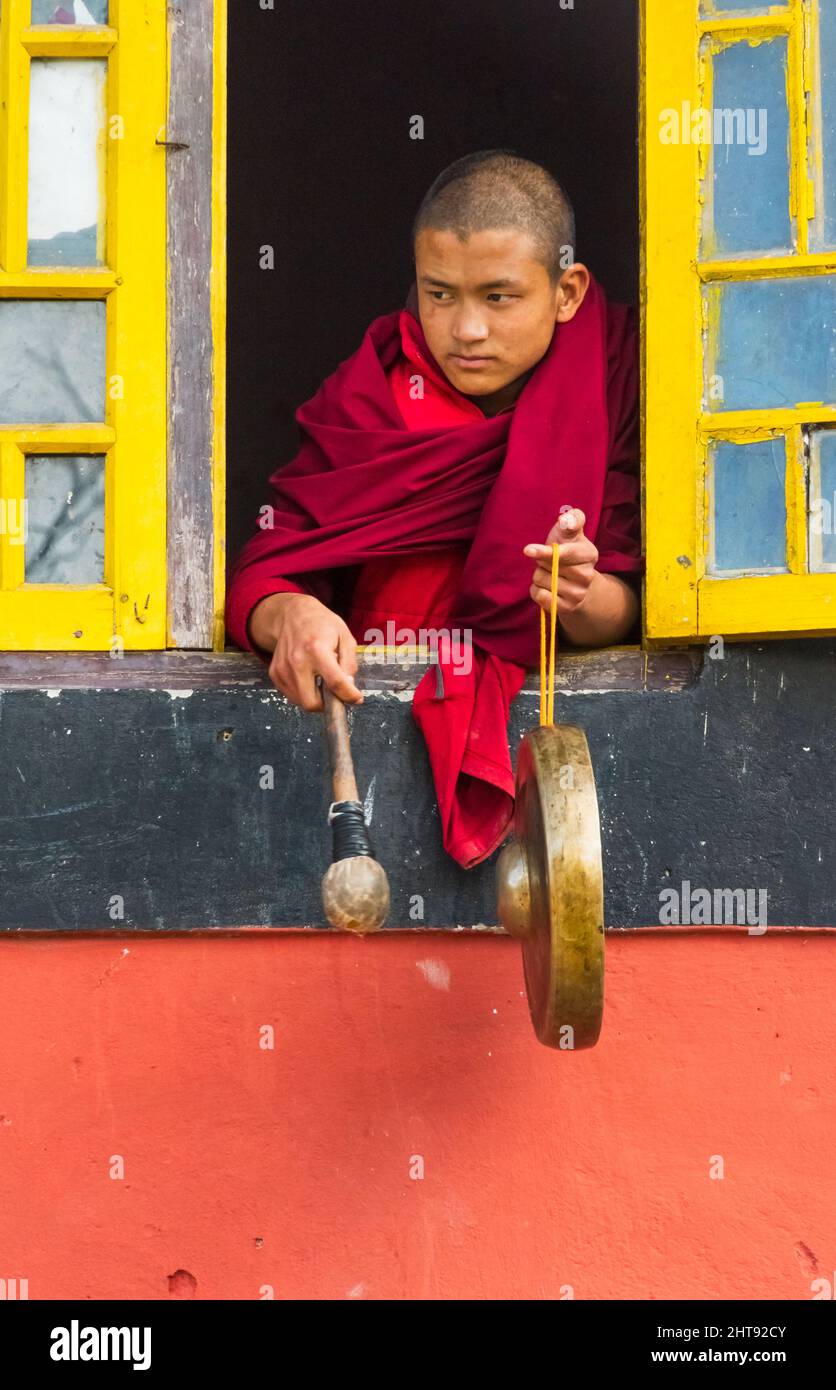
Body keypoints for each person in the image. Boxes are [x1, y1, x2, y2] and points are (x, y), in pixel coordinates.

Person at [226, 150, 643, 869]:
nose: (466, 329)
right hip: (368, 749)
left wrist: (580, 594)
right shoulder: (369, 397)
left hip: (550, 780)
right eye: (439, 294)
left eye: (499, 297)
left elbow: (634, 606)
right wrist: (289, 613)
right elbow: (271, 565)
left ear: (567, 291)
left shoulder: (623, 379)